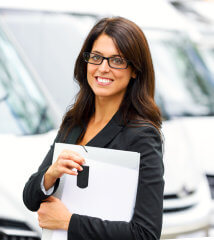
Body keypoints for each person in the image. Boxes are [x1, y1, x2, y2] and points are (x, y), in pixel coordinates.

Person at [23, 16, 164, 240]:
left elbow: (145, 234)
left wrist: (69, 222)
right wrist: (50, 174)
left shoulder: (142, 136)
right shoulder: (74, 122)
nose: (103, 68)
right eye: (96, 57)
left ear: (135, 70)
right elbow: (30, 199)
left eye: (117, 60)